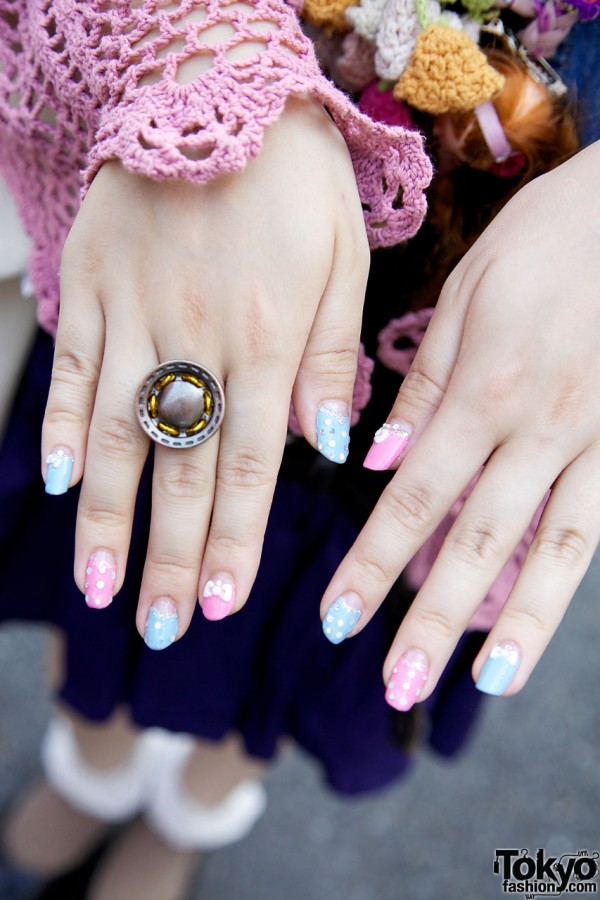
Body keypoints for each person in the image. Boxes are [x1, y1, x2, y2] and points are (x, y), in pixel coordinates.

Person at [0, 2, 597, 899]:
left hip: (521, 304)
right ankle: (93, 762)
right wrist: (206, 57)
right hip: (206, 175)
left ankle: (196, 808)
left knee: (337, 596)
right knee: (112, 536)